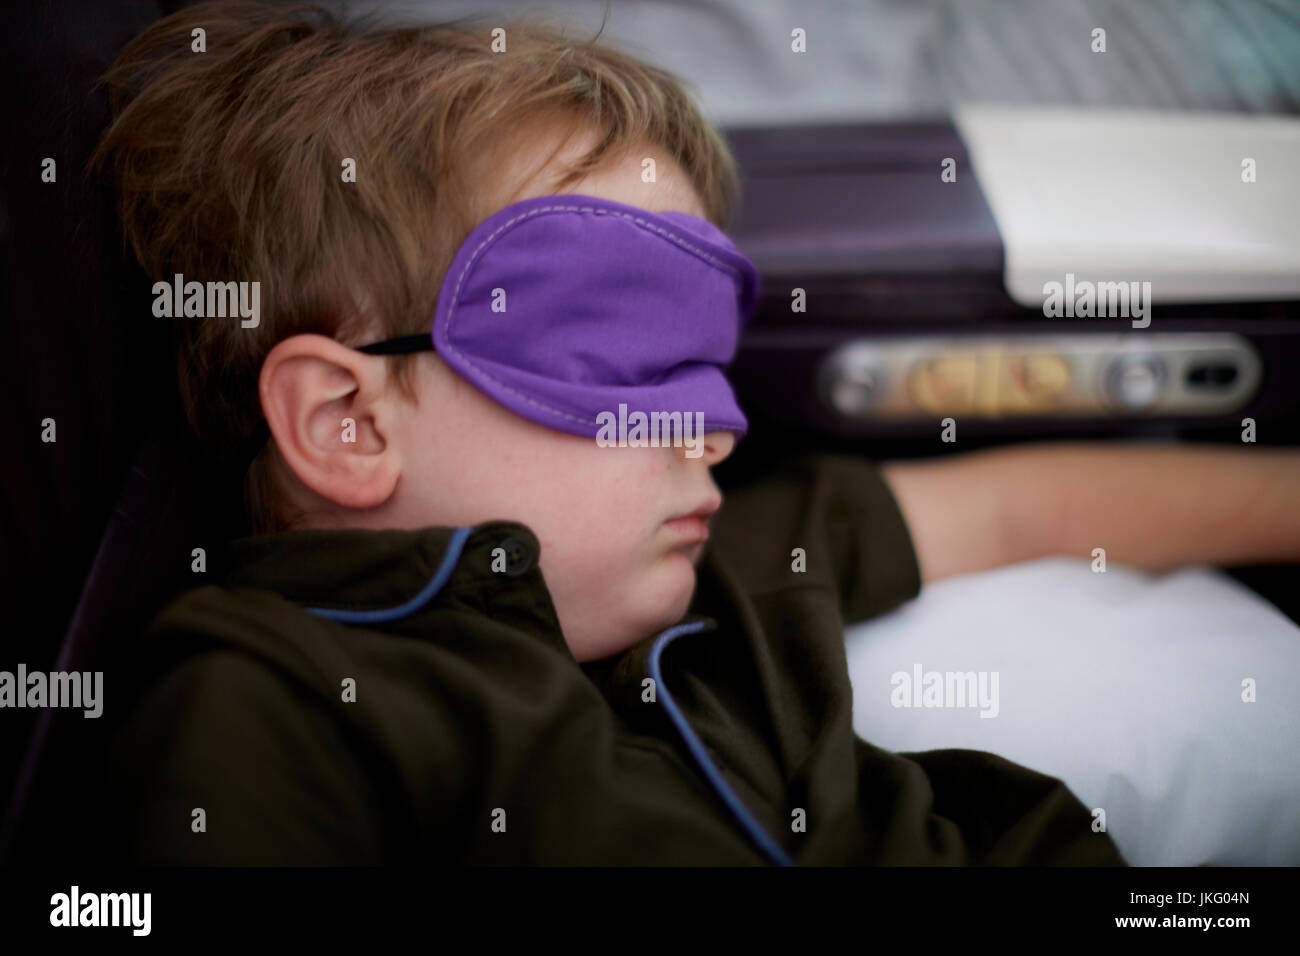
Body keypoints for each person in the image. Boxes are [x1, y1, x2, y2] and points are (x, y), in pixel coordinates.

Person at [93, 1, 1299, 865]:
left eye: (702, 359)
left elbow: (1019, 509)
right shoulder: (279, 704)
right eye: (624, 353)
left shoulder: (730, 572)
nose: (712, 428)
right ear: (347, 422)